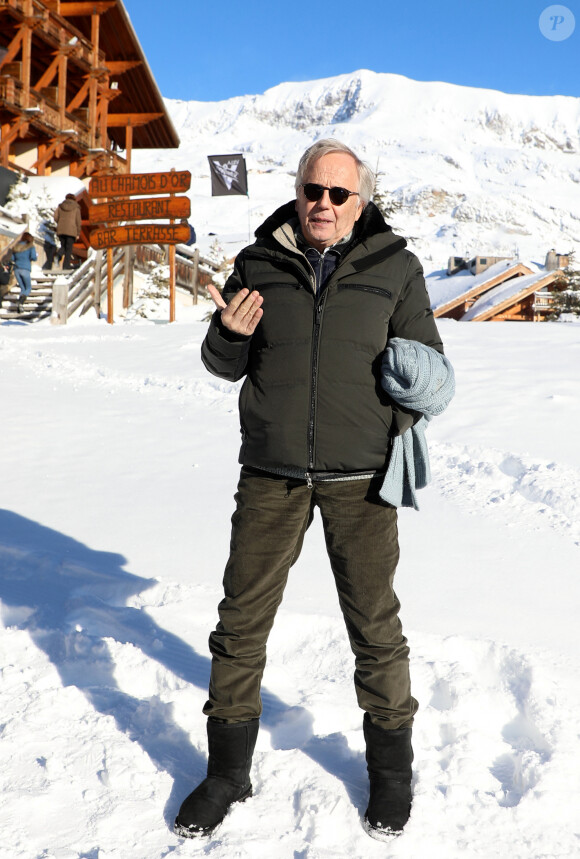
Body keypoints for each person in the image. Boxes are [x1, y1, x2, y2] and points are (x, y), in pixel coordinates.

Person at [175, 140, 444, 842]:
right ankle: (227, 772)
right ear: (297, 191)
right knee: (240, 625)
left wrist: (396, 405)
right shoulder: (258, 262)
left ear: (361, 201)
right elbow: (222, 362)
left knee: (375, 629)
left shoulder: (396, 267)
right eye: (312, 190)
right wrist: (226, 335)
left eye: (338, 194)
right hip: (272, 473)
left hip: (362, 479)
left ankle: (391, 773)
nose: (323, 203)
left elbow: (430, 368)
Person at [11, 232, 37, 313]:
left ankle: (20, 307)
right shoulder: (30, 246)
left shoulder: (16, 246)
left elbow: (12, 258)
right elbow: (34, 257)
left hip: (16, 269)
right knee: (28, 288)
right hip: (25, 269)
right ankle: (21, 301)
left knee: (22, 288)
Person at [54, 192, 81, 270]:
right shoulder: (76, 207)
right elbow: (78, 221)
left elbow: (55, 217)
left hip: (61, 230)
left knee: (63, 246)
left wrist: (60, 222)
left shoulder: (60, 206)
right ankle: (66, 266)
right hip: (71, 231)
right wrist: (78, 233)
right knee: (68, 249)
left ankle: (58, 255)